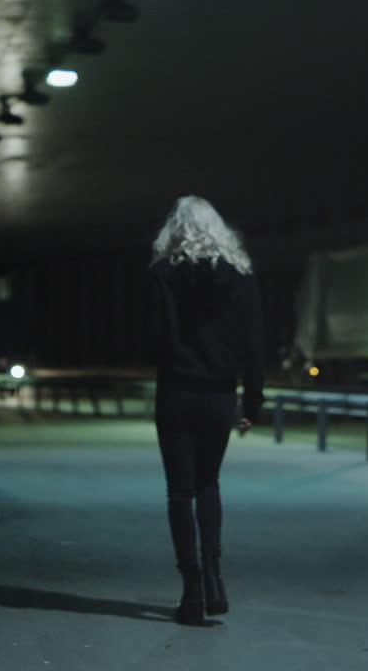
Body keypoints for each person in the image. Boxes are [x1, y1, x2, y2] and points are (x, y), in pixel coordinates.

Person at [146, 195, 265, 625]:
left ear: (174, 229)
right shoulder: (239, 274)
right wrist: (252, 400)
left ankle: (192, 591)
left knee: (179, 492)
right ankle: (215, 579)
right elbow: (254, 341)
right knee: (208, 483)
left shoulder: (163, 274)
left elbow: (155, 336)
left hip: (176, 393)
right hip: (219, 395)